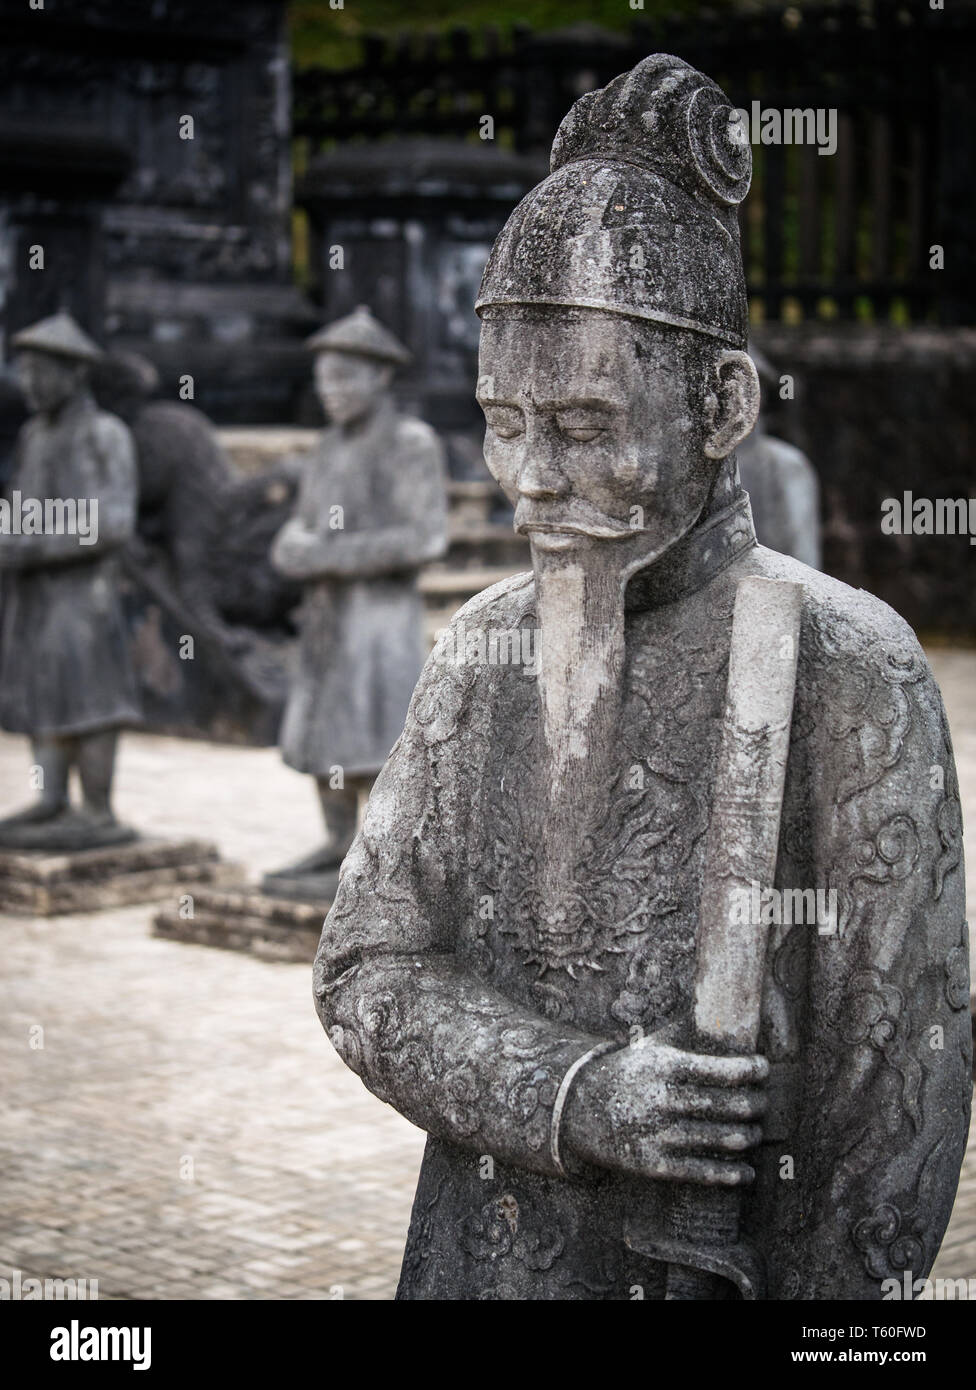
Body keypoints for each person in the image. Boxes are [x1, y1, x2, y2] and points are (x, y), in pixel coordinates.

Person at [313, 58, 969, 1299]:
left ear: (720, 400)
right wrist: (577, 1093)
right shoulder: (482, 650)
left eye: (580, 425)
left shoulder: (847, 664)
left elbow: (901, 1099)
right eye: (503, 419)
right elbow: (365, 968)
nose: (525, 476)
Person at [268, 306, 447, 887]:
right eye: (323, 380)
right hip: (326, 618)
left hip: (379, 620)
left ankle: (387, 857)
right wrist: (296, 547)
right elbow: (297, 530)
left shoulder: (410, 442)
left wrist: (321, 556)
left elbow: (424, 538)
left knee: (377, 735)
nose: (332, 392)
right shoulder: (324, 451)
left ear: (381, 376)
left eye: (345, 377)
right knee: (325, 738)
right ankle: (337, 842)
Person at [0, 312, 140, 849]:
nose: (30, 383)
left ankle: (98, 809)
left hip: (85, 596)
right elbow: (21, 510)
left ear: (75, 373)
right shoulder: (34, 436)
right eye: (25, 371)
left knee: (89, 696)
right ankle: (50, 797)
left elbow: (114, 520)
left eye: (42, 371)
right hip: (35, 595)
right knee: (42, 691)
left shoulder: (106, 434)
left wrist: (30, 543)